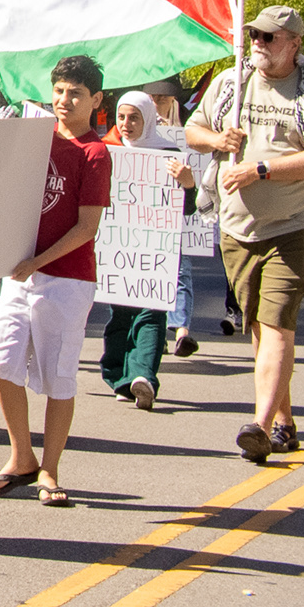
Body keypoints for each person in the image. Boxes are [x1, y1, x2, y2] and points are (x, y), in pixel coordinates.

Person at [0, 54, 113, 508]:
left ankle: (50, 470)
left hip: (67, 281)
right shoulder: (34, 138)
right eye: (58, 90)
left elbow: (86, 228)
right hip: (20, 273)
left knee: (59, 376)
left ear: (95, 99)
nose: (63, 99)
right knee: (0, 361)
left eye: (75, 93)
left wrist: (38, 261)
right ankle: (21, 457)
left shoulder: (95, 152)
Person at [185, 5, 304, 463]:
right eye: (254, 35)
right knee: (259, 327)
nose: (258, 42)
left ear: (294, 43)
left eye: (269, 36)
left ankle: (258, 426)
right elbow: (193, 128)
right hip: (237, 228)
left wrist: (261, 170)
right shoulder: (230, 83)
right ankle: (283, 422)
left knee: (279, 323)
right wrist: (217, 142)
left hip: (295, 225)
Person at [98, 92, 199, 410]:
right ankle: (118, 376)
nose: (126, 124)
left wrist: (187, 184)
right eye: (122, 117)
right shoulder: (107, 153)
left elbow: (187, 209)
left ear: (149, 120)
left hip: (156, 251)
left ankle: (143, 377)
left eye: (134, 118)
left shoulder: (168, 156)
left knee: (152, 313)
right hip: (119, 248)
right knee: (121, 315)